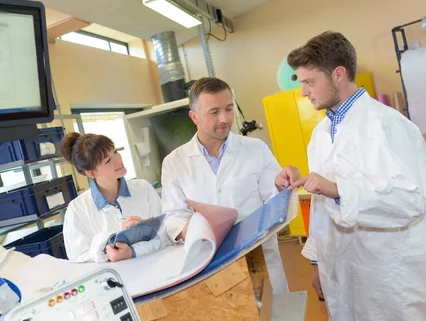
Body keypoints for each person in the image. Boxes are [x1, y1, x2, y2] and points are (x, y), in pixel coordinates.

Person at [275, 31, 426, 321]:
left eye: (309, 81)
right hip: (347, 272)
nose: (304, 91)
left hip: (389, 275)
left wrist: (336, 188)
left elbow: (410, 201)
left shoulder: (388, 125)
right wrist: (316, 263)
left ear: (338, 74)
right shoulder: (321, 133)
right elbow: (320, 206)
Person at [161, 77, 290, 294]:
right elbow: (173, 216)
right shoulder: (175, 162)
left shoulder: (255, 148)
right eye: (214, 112)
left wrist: (282, 187)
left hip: (258, 255)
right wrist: (193, 232)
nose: (225, 118)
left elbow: (276, 201)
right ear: (194, 117)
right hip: (209, 261)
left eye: (229, 109)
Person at [61, 132, 163, 263]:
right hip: (115, 280)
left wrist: (134, 248)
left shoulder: (143, 188)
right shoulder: (77, 209)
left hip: (156, 270)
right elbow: (78, 258)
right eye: (108, 160)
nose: (117, 160)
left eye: (114, 151)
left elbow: (165, 234)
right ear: (91, 173)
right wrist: (111, 241)